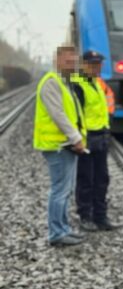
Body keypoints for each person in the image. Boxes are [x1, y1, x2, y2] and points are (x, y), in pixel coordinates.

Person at [33, 45, 87, 247]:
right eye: (67, 60)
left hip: (64, 145)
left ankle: (63, 229)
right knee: (60, 190)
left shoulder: (64, 82)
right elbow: (58, 115)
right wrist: (76, 138)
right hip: (57, 145)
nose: (71, 64)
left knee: (65, 190)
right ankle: (56, 233)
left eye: (74, 60)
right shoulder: (51, 83)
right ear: (56, 59)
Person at [72, 50, 119, 231]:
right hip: (87, 140)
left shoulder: (97, 83)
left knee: (102, 179)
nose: (97, 67)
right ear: (83, 64)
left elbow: (103, 109)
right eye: (93, 64)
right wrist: (78, 140)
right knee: (86, 180)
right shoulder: (78, 84)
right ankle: (85, 217)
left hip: (101, 137)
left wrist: (107, 129)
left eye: (99, 64)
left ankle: (100, 216)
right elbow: (76, 115)